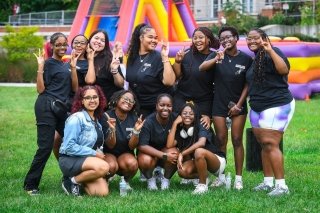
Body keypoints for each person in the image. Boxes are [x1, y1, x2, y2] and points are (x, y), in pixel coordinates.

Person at [23, 32, 78, 195]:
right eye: (58, 44)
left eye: (64, 44)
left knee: (70, 141)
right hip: (46, 106)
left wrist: (73, 68)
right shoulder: (47, 63)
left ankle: (71, 178)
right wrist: (40, 68)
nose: (62, 47)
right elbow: (40, 90)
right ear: (52, 46)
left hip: (62, 108)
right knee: (45, 146)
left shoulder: (67, 64)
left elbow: (75, 89)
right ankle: (30, 185)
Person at [199, 26, 253, 190]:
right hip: (219, 104)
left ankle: (238, 178)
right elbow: (202, 68)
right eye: (222, 39)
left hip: (238, 105)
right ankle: (221, 177)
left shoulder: (246, 59)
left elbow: (248, 83)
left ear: (236, 38)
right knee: (221, 140)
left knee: (237, 140)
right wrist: (216, 59)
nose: (225, 41)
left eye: (229, 37)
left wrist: (239, 105)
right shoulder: (217, 55)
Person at [245, 28, 295, 196]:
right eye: (249, 39)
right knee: (264, 145)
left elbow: (283, 70)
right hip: (257, 107)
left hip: (277, 104)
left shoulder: (274, 51)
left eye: (255, 38)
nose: (251, 41)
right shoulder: (255, 58)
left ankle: (282, 186)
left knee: (270, 143)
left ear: (264, 38)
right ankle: (267, 182)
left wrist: (270, 50)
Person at [59, 85, 110, 197]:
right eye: (88, 98)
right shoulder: (76, 118)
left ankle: (78, 179)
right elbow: (69, 147)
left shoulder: (96, 121)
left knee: (101, 193)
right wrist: (95, 154)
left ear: (99, 99)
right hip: (70, 159)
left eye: (95, 97)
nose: (92, 100)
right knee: (104, 167)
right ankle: (71, 182)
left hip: (86, 161)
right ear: (82, 101)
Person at [167, 102, 226, 195]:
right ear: (180, 115)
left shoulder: (202, 124)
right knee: (182, 171)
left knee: (199, 151)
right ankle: (205, 177)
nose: (187, 116)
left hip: (217, 161)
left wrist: (182, 153)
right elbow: (169, 145)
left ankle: (202, 186)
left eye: (191, 114)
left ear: (195, 115)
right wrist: (174, 124)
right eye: (184, 113)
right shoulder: (181, 130)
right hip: (200, 161)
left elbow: (201, 143)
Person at [52, 34, 95, 160]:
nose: (79, 45)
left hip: (80, 105)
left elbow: (89, 81)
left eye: (82, 43)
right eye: (76, 42)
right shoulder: (65, 62)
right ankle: (64, 167)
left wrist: (90, 60)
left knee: (76, 139)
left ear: (87, 46)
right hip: (65, 103)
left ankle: (78, 168)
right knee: (56, 139)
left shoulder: (88, 63)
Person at [172, 27, 220, 129]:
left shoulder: (214, 56)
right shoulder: (187, 53)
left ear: (209, 40)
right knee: (179, 129)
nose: (197, 40)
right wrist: (177, 62)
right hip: (182, 98)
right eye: (195, 38)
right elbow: (178, 76)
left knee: (202, 130)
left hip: (204, 101)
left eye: (201, 37)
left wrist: (208, 115)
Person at [126, 23, 176, 117]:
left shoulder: (158, 57)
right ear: (141, 38)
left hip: (157, 110)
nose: (154, 40)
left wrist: (165, 57)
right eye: (150, 37)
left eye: (156, 38)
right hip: (138, 109)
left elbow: (169, 82)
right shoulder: (132, 57)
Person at [100, 90, 145, 189]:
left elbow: (131, 146)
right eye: (125, 99)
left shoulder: (134, 119)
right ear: (117, 99)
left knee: (132, 164)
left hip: (125, 153)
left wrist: (136, 132)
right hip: (108, 152)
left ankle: (125, 182)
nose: (128, 102)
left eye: (131, 101)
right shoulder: (106, 116)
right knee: (110, 166)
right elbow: (110, 145)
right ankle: (105, 180)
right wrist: (112, 130)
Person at [138, 94, 178, 190]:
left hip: (167, 151)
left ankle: (166, 179)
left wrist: (205, 117)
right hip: (150, 154)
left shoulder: (176, 119)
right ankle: (150, 179)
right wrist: (163, 155)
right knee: (145, 160)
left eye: (169, 106)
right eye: (162, 105)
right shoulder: (148, 122)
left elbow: (192, 117)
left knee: (174, 153)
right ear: (156, 106)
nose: (165, 108)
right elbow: (142, 146)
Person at [87, 29, 124, 101]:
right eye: (96, 38)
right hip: (89, 102)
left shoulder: (110, 59)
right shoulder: (83, 57)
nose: (98, 42)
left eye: (102, 40)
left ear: (105, 45)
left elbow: (120, 84)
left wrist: (114, 70)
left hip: (109, 102)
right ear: (90, 39)